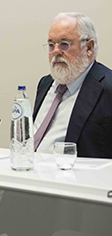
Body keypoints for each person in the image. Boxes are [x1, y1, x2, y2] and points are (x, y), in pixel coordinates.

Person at [33, 12, 112, 158]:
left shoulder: (108, 88)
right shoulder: (45, 83)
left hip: (77, 177)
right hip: (30, 173)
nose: (56, 51)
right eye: (51, 45)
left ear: (88, 47)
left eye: (64, 44)